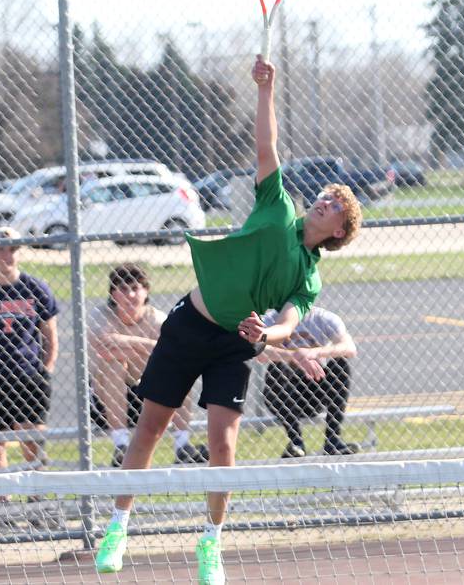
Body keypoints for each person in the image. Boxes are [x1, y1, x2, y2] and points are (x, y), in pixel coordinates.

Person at [95, 55, 363, 585]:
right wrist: (267, 89)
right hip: (189, 324)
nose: (326, 199)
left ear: (337, 232)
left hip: (234, 345)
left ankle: (211, 544)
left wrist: (268, 334)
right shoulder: (277, 205)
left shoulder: (307, 275)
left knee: (223, 445)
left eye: (335, 205)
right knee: (148, 428)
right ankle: (119, 525)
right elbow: (268, 148)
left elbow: (289, 320)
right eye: (327, 195)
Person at [88, 264, 209, 467]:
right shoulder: (100, 315)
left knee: (179, 369)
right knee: (113, 363)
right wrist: (150, 346)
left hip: (148, 397)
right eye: (123, 289)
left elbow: (174, 352)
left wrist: (125, 342)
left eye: (135, 288)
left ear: (146, 291)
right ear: (112, 294)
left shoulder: (158, 319)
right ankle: (121, 445)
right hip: (104, 403)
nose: (130, 295)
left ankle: (183, 445)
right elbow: (104, 348)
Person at [0, 227, 58, 496]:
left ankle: (39, 501)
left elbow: (50, 336)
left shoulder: (35, 288)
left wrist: (46, 370)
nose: (7, 254)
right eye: (1, 248)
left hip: (27, 375)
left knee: (32, 441)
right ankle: (3, 508)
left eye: (13, 248)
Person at [259, 306, 359, 459]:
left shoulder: (323, 318)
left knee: (340, 364)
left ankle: (333, 440)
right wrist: (293, 356)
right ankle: (296, 443)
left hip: (316, 387)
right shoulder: (271, 319)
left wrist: (315, 352)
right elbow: (258, 351)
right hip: (286, 391)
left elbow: (349, 348)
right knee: (275, 368)